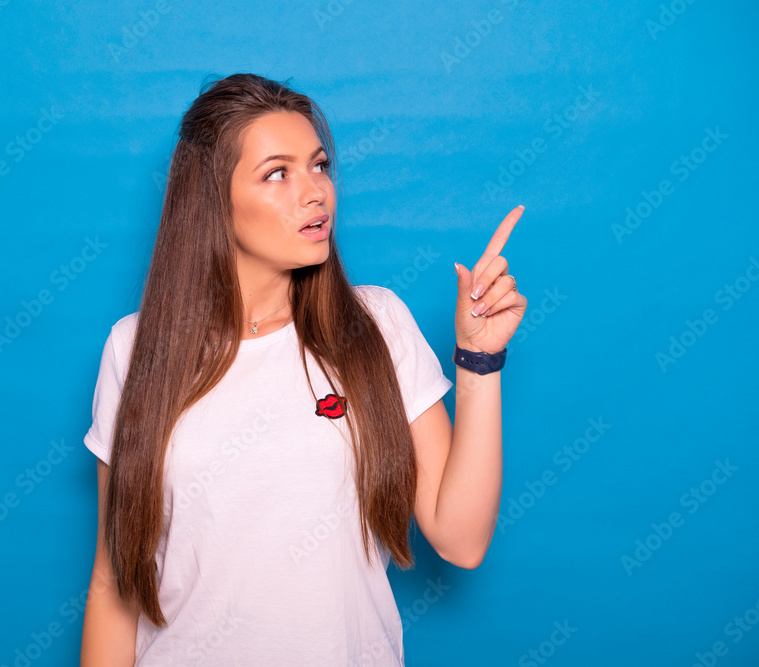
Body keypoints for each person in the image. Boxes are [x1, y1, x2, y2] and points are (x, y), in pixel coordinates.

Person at [79, 72, 527, 666]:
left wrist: (480, 360)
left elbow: (461, 539)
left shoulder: (377, 325)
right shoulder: (135, 350)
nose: (314, 192)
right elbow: (115, 583)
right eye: (278, 173)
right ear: (213, 198)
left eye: (319, 166)